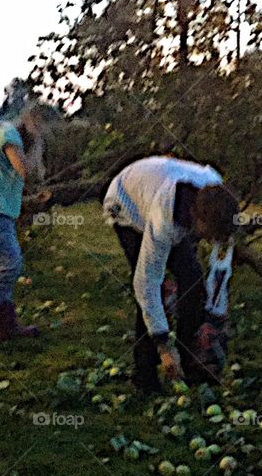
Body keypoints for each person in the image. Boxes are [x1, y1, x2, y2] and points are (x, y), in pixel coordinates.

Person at [102, 156, 239, 393]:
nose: (210, 240)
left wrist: (212, 319)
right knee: (153, 286)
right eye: (208, 234)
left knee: (193, 279)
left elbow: (220, 269)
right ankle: (145, 375)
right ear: (197, 218)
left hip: (157, 185)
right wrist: (164, 344)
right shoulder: (164, 217)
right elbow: (147, 282)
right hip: (125, 201)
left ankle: (190, 359)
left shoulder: (220, 202)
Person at [0, 102, 58, 343]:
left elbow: (36, 175)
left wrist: (32, 196)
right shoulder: (8, 133)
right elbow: (24, 171)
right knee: (8, 263)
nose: (45, 133)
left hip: (1, 209)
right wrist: (37, 144)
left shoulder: (18, 140)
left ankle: (5, 326)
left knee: (9, 264)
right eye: (43, 127)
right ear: (33, 121)